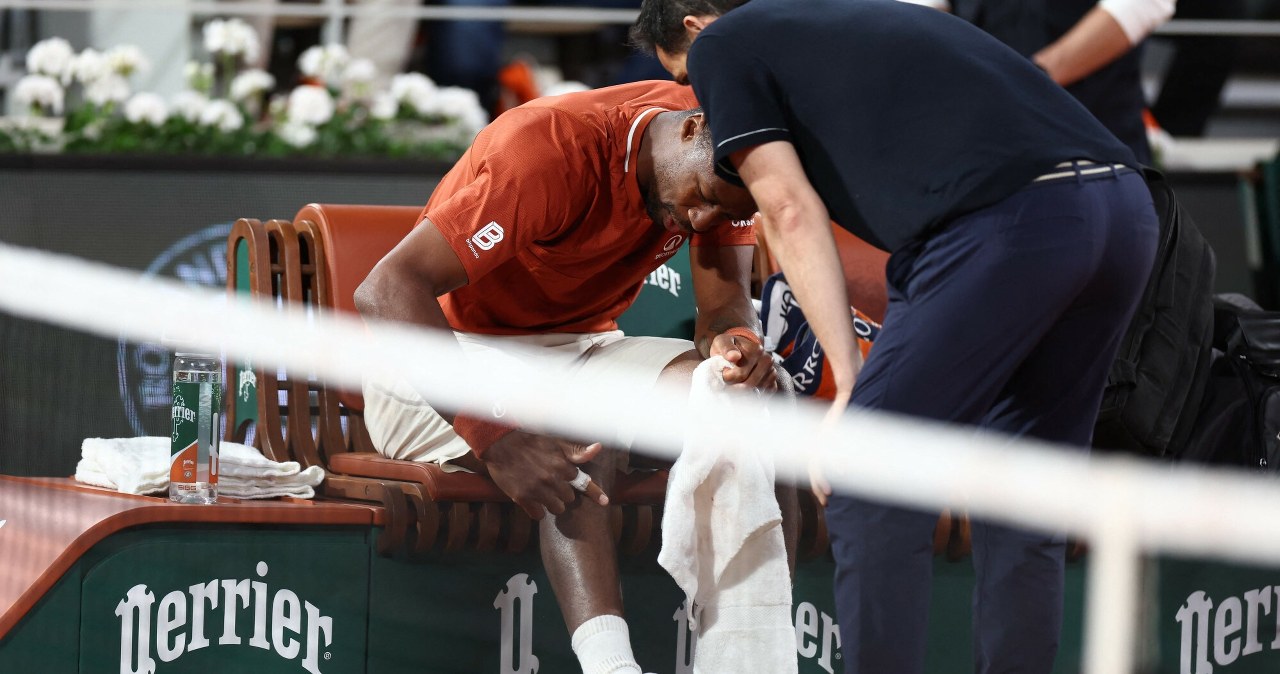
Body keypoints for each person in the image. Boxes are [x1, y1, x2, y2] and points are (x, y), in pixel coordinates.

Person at [630, 1, 1159, 672]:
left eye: (684, 76)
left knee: (867, 481)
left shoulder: (724, 43)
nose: (696, 96)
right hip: (1124, 210)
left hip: (1011, 225)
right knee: (1025, 501)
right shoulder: (860, 21)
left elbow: (788, 209)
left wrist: (851, 382)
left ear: (697, 26)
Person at [353, 79, 790, 674]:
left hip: (584, 348)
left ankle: (744, 661)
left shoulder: (730, 152)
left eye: (724, 214)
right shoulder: (548, 150)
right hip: (447, 351)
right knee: (581, 425)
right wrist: (495, 434)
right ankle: (610, 666)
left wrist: (737, 349)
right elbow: (386, 289)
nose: (701, 219)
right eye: (702, 197)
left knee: (733, 396)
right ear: (689, 128)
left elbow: (722, 312)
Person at [897, 0, 1176, 165]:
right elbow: (921, 10)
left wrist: (1033, 77)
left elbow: (1142, 4)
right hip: (981, 143)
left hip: (1096, 133)